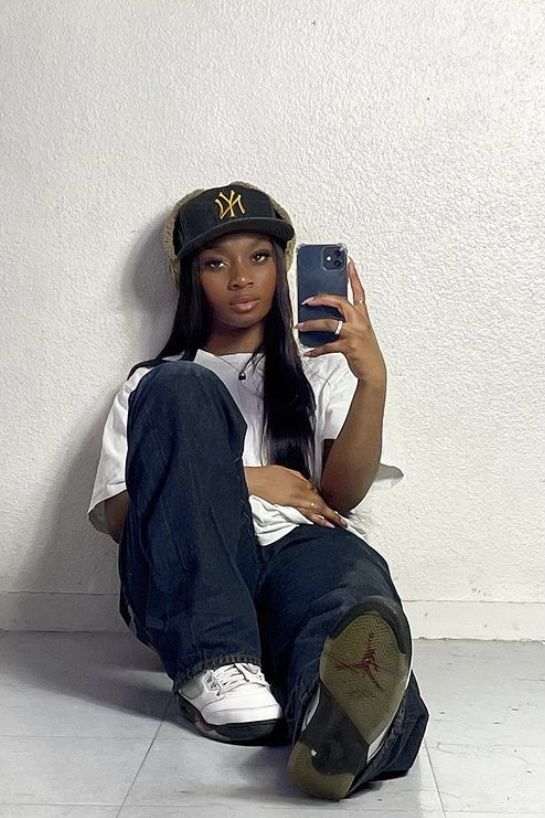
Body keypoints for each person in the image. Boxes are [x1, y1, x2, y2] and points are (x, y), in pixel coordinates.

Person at [87, 181, 428, 801]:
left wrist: (372, 380)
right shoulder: (155, 386)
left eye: (259, 257)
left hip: (295, 553)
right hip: (195, 565)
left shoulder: (317, 368)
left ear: (282, 268)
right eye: (216, 263)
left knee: (350, 582)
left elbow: (341, 495)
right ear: (191, 279)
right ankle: (217, 660)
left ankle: (344, 730)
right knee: (186, 385)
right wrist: (248, 478)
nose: (241, 278)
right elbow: (119, 516)